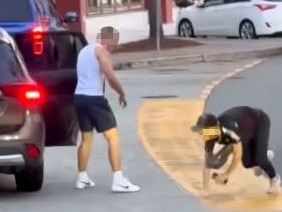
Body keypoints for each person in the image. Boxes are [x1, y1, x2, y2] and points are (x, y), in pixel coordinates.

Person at [73, 26, 140, 193]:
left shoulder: (84, 51)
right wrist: (122, 93)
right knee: (113, 137)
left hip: (79, 97)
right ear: (107, 39)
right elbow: (110, 77)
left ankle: (82, 178)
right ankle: (118, 179)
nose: (114, 46)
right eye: (114, 42)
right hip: (94, 99)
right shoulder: (101, 52)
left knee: (86, 138)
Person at [191, 106, 281, 194]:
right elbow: (208, 162)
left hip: (259, 121)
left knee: (260, 158)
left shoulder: (229, 130)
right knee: (247, 164)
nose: (200, 134)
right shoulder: (210, 135)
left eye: (201, 131)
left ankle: (274, 179)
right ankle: (262, 154)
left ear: (212, 128)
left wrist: (226, 174)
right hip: (244, 130)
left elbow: (237, 154)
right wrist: (205, 189)